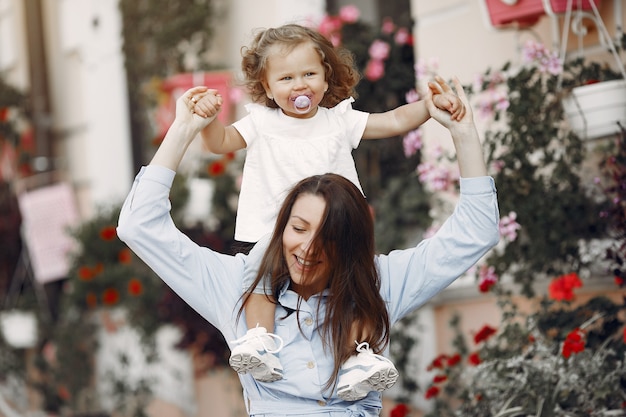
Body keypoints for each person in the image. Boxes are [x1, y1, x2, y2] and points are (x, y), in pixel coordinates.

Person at [117, 77, 500, 416]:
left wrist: (464, 134)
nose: (308, 247)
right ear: (282, 226)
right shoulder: (237, 286)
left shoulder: (378, 283)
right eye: (298, 228)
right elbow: (139, 226)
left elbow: (474, 234)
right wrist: (183, 130)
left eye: (328, 235)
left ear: (349, 243)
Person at [188, 23, 466, 396]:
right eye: (286, 77)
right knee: (260, 281)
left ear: (325, 76)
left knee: (355, 289)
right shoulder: (261, 123)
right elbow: (220, 143)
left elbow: (395, 120)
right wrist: (208, 121)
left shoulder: (339, 120)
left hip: (336, 231)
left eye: (309, 74)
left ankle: (358, 356)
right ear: (267, 87)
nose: (299, 85)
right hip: (275, 231)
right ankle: (259, 341)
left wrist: (429, 107)